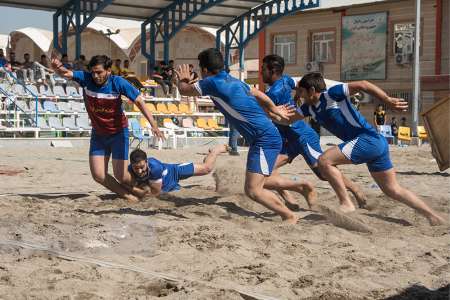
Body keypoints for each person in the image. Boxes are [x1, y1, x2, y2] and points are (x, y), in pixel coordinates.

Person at [175, 48, 316, 224]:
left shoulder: (211, 83)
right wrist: (273, 109)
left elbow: (184, 90)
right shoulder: (233, 80)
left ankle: (289, 214)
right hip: (264, 137)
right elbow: (257, 93)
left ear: (204, 70)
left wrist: (183, 79)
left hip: (264, 139)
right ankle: (301, 188)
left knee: (253, 190)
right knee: (261, 182)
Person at [286, 72, 445, 225]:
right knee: (392, 189)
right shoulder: (309, 108)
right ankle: (433, 217)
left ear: (312, 91)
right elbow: (287, 119)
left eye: (300, 91)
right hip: (375, 144)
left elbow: (363, 84)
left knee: (324, 161)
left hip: (368, 140)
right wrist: (268, 110)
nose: (298, 95)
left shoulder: (332, 94)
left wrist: (387, 100)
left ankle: (346, 203)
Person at [51, 54, 165, 202]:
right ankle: (128, 195)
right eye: (93, 72)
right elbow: (65, 73)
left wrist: (154, 125)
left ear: (108, 71)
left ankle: (145, 185)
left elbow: (139, 101)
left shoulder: (118, 82)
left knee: (121, 176)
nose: (95, 75)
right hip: (99, 134)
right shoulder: (86, 78)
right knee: (98, 175)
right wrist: (57, 68)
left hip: (118, 133)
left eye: (99, 72)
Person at [261, 54, 366, 209]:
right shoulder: (286, 80)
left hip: (303, 136)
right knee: (267, 170)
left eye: (263, 69)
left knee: (324, 174)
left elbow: (263, 111)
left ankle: (355, 190)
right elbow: (298, 83)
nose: (261, 72)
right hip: (288, 139)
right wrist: (297, 94)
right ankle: (291, 200)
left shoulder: (273, 94)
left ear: (273, 71)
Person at [128, 144, 228, 197]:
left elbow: (155, 193)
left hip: (174, 171)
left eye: (142, 167)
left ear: (146, 162)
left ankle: (216, 150)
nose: (140, 171)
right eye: (136, 168)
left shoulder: (155, 167)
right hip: (169, 187)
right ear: (131, 165)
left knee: (207, 168)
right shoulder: (129, 170)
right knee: (194, 192)